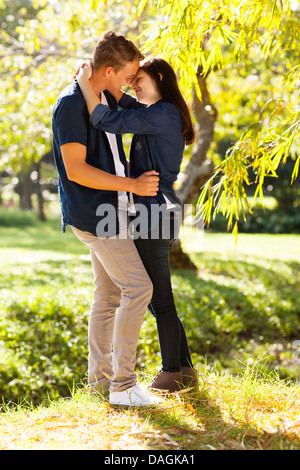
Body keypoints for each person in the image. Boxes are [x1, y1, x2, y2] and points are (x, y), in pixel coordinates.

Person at [52, 31, 163, 407]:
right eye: (128, 75)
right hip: (95, 214)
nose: (131, 82)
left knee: (109, 295)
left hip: (111, 210)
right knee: (139, 289)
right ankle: (123, 385)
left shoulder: (105, 96)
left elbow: (148, 111)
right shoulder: (71, 104)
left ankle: (100, 384)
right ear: (110, 69)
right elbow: (77, 170)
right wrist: (132, 184)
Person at [76, 57, 199, 393]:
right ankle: (185, 369)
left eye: (139, 78)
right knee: (159, 297)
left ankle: (173, 371)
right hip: (155, 213)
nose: (133, 84)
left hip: (154, 214)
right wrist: (108, 81)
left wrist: (86, 86)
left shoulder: (162, 113)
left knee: (160, 299)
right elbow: (124, 103)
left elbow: (106, 119)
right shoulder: (158, 111)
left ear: (159, 77)